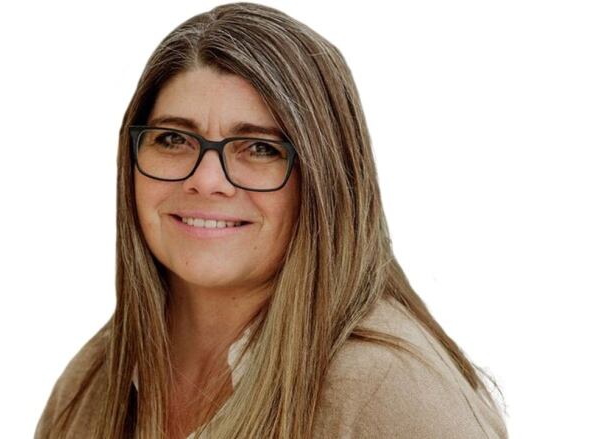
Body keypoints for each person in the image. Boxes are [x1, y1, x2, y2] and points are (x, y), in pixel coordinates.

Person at [34, 2, 508, 438]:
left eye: (260, 148)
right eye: (174, 139)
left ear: (326, 182)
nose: (207, 179)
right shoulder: (97, 378)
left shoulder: (387, 393)